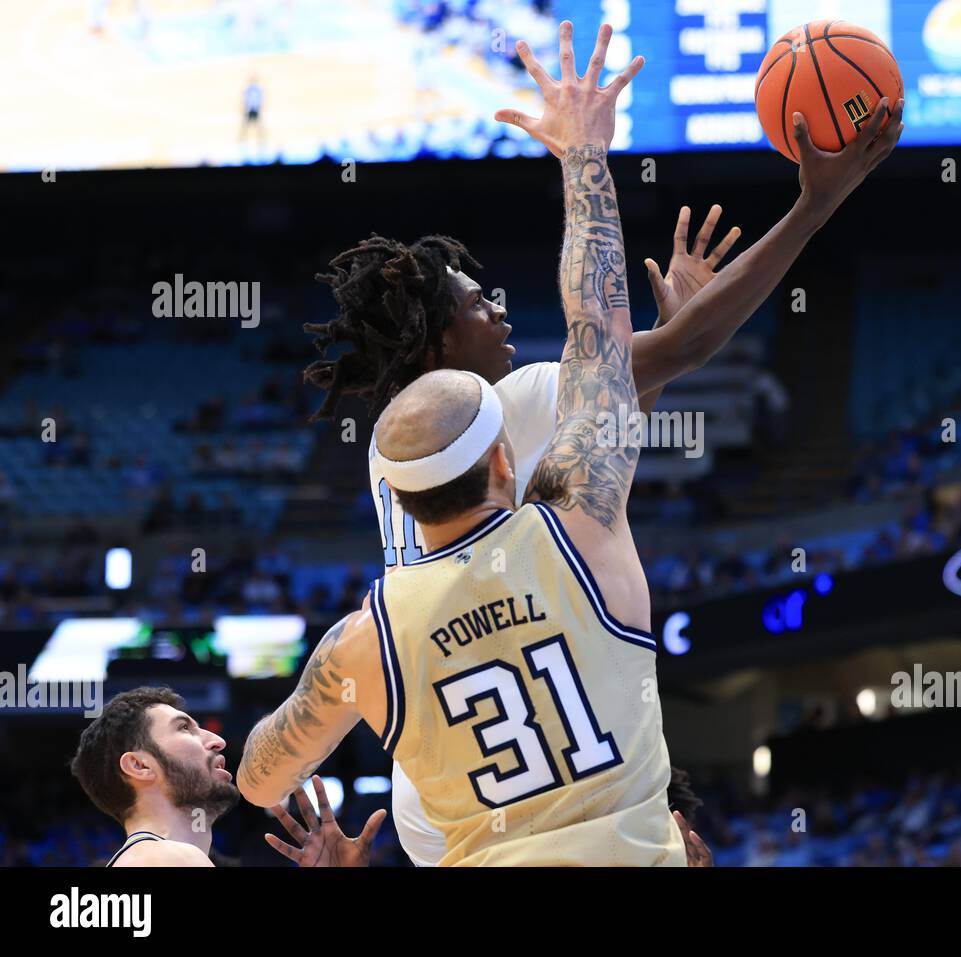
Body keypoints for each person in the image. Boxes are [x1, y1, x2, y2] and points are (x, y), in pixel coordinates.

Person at [299, 20, 900, 865]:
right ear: (437, 345)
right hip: (538, 748)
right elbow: (666, 360)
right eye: (480, 303)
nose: (501, 312)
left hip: (443, 772)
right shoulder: (504, 404)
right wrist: (815, 205)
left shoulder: (402, 443)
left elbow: (609, 413)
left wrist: (669, 330)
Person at [238, 22, 683, 864]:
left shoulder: (362, 639)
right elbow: (599, 333)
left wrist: (331, 694)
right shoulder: (581, 521)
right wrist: (583, 156)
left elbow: (259, 778)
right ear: (508, 460)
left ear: (397, 494)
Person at [70, 687, 239, 867]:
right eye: (184, 728)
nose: (218, 741)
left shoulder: (148, 858)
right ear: (139, 766)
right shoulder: (170, 858)